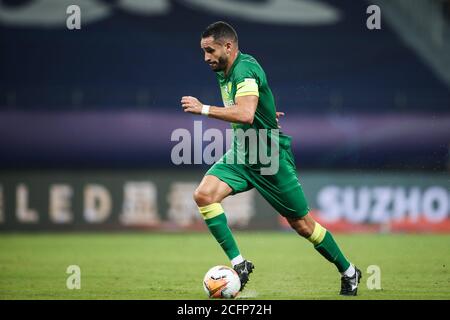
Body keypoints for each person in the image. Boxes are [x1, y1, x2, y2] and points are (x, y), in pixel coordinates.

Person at [181, 21, 361, 296]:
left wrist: (202, 109)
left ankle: (349, 271)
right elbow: (253, 105)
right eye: (203, 51)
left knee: (303, 225)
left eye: (210, 50)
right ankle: (239, 264)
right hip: (243, 153)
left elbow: (244, 114)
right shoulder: (224, 69)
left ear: (228, 46)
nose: (206, 57)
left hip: (269, 158)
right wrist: (267, 113)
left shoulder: (244, 70)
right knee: (204, 195)